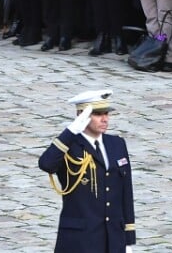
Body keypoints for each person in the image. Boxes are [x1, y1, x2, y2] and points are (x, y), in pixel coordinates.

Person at [39, 89, 136, 253]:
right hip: (80, 240)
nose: (105, 119)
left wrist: (128, 239)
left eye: (106, 113)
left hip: (113, 238)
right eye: (98, 114)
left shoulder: (117, 144)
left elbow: (126, 192)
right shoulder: (69, 145)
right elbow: (46, 164)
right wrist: (70, 131)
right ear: (81, 116)